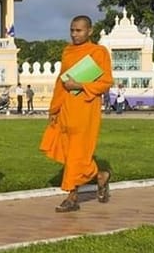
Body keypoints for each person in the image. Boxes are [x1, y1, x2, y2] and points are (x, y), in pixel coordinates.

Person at [40, 15, 114, 213]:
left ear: (90, 31)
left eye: (79, 30)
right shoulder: (68, 52)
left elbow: (106, 82)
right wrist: (54, 109)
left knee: (76, 153)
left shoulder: (99, 52)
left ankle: (71, 197)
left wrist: (79, 85)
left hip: (85, 108)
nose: (75, 34)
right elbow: (60, 83)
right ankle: (100, 176)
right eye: (72, 30)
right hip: (66, 108)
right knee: (68, 151)